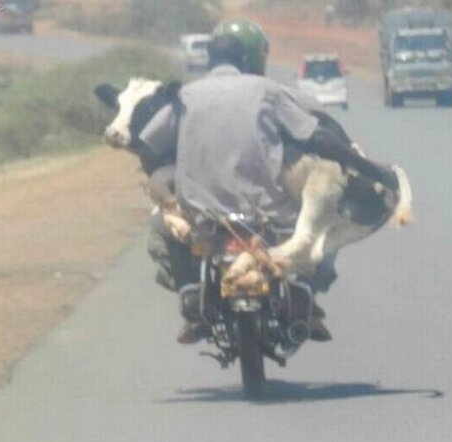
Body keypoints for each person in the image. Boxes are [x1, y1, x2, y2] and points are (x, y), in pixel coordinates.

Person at [140, 19, 398, 344]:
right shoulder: (268, 91)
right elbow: (316, 137)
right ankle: (305, 291)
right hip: (270, 215)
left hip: (202, 218)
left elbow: (149, 145)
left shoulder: (185, 96)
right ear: (250, 59)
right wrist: (370, 168)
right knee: (320, 226)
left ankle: (191, 292)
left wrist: (165, 185)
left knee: (164, 230)